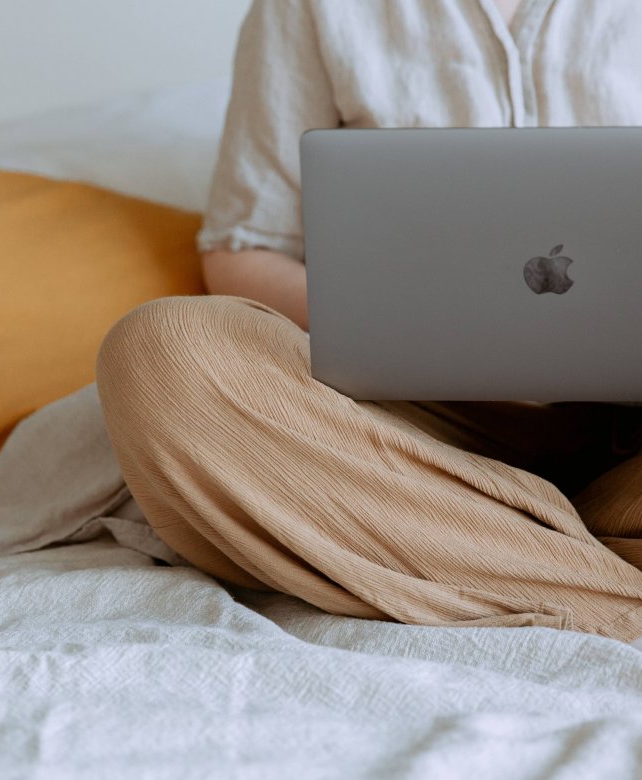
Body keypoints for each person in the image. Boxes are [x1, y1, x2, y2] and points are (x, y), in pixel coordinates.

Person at [96, 0, 642, 645]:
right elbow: (246, 251)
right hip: (401, 425)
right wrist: (407, 327)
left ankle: (469, 551)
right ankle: (594, 578)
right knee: (164, 352)